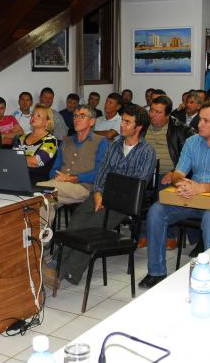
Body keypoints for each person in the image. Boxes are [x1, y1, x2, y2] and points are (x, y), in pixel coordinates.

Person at [138, 102, 210, 289]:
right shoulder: (192, 142)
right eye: (200, 119)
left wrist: (202, 188)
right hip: (193, 197)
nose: (199, 124)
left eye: (206, 120)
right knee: (157, 210)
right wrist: (182, 183)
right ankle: (156, 272)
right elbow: (178, 173)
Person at [44, 104, 155, 289]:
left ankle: (62, 272)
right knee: (78, 218)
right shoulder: (115, 145)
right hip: (102, 194)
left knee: (92, 226)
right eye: (123, 121)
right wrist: (98, 193)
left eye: (128, 122)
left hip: (124, 202)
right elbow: (102, 172)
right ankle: (56, 263)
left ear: (139, 127)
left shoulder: (146, 151)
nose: (122, 125)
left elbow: (137, 183)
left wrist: (108, 192)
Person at [37, 105, 108, 215]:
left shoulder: (101, 141)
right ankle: (44, 232)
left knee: (41, 189)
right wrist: (56, 176)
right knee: (44, 202)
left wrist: (73, 178)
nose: (77, 119)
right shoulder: (66, 141)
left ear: (92, 122)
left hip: (84, 188)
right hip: (60, 188)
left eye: (82, 116)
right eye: (75, 116)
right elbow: (54, 169)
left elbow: (100, 173)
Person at [144, 95, 193, 185]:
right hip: (143, 173)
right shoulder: (142, 125)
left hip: (167, 175)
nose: (152, 115)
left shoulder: (180, 129)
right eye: (151, 110)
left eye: (158, 112)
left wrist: (175, 172)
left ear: (168, 115)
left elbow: (189, 157)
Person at [13, 104, 59, 183]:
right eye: (33, 114)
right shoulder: (22, 138)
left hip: (37, 181)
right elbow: (11, 158)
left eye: (38, 116)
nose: (33, 117)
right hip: (17, 176)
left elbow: (36, 161)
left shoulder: (50, 140)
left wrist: (17, 159)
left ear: (47, 122)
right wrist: (26, 160)